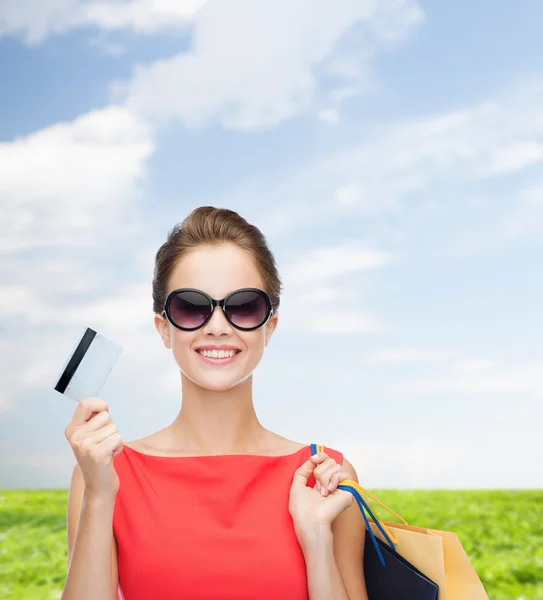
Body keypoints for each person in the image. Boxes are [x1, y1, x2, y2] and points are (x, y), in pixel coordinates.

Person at [62, 206, 368, 600]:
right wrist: (100, 496)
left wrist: (316, 542)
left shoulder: (327, 475)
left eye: (243, 306)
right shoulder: (104, 473)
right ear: (164, 328)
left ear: (269, 327)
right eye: (191, 307)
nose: (219, 327)